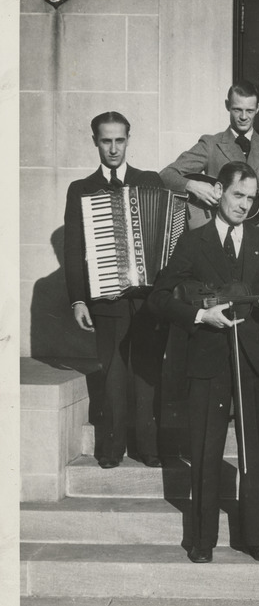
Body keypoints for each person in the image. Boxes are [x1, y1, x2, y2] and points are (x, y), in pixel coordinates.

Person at [148, 161, 259, 564]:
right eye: (238, 195)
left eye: (251, 197)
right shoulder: (194, 241)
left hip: (253, 359)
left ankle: (254, 537)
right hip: (208, 359)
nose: (244, 204)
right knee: (206, 450)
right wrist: (198, 317)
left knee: (252, 455)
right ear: (219, 192)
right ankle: (202, 539)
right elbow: (159, 297)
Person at [64, 111, 165, 469]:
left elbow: (165, 231)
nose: (113, 148)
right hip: (106, 299)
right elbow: (74, 251)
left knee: (147, 371)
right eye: (106, 140)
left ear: (128, 140)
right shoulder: (81, 189)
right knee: (113, 375)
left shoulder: (149, 181)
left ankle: (148, 447)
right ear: (95, 141)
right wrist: (78, 299)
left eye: (119, 140)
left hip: (147, 300)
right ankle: (112, 447)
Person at [160, 80, 259, 250]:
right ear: (227, 105)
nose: (244, 117)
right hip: (218, 233)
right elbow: (166, 175)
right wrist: (193, 185)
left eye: (250, 111)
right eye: (237, 109)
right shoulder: (211, 144)